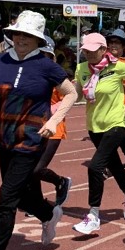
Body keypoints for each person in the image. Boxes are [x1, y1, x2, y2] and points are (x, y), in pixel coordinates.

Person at [0, 11, 77, 250]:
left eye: (28, 36)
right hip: (3, 136)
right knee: (16, 197)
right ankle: (48, 213)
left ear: (37, 39)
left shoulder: (46, 65)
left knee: (6, 199)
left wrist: (54, 120)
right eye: (18, 34)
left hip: (30, 138)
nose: (21, 39)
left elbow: (71, 93)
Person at [72, 32, 125, 235]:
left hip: (116, 123)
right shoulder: (81, 69)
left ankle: (93, 215)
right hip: (95, 127)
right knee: (114, 164)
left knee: (95, 167)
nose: (87, 53)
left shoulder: (117, 67)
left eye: (92, 50)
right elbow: (76, 95)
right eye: (85, 50)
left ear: (103, 50)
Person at [34, 36, 72, 208]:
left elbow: (68, 98)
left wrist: (50, 112)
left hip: (53, 126)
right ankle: (37, 202)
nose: (41, 58)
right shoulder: (29, 72)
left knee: (37, 168)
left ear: (52, 57)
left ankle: (60, 182)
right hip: (32, 125)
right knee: (28, 167)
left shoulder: (57, 75)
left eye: (45, 55)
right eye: (38, 54)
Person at [104, 28, 125, 171]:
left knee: (116, 132)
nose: (113, 45)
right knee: (114, 133)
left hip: (124, 103)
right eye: (111, 42)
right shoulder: (103, 61)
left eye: (117, 43)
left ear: (124, 45)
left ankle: (107, 165)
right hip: (106, 102)